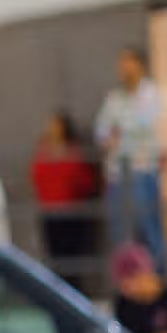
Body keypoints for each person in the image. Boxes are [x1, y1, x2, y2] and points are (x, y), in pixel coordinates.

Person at [94, 47, 167, 270]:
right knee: (120, 233)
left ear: (140, 65)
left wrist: (118, 131)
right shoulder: (114, 98)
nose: (123, 67)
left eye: (128, 61)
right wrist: (113, 133)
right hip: (117, 176)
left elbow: (140, 125)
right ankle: (128, 280)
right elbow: (101, 132)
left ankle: (158, 278)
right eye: (121, 62)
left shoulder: (150, 94)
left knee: (148, 228)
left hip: (142, 171)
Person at [30, 111, 102, 289]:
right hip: (50, 212)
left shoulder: (75, 151)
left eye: (56, 125)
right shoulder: (44, 150)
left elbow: (85, 180)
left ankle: (74, 294)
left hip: (71, 212)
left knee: (73, 259)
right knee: (55, 258)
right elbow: (36, 175)